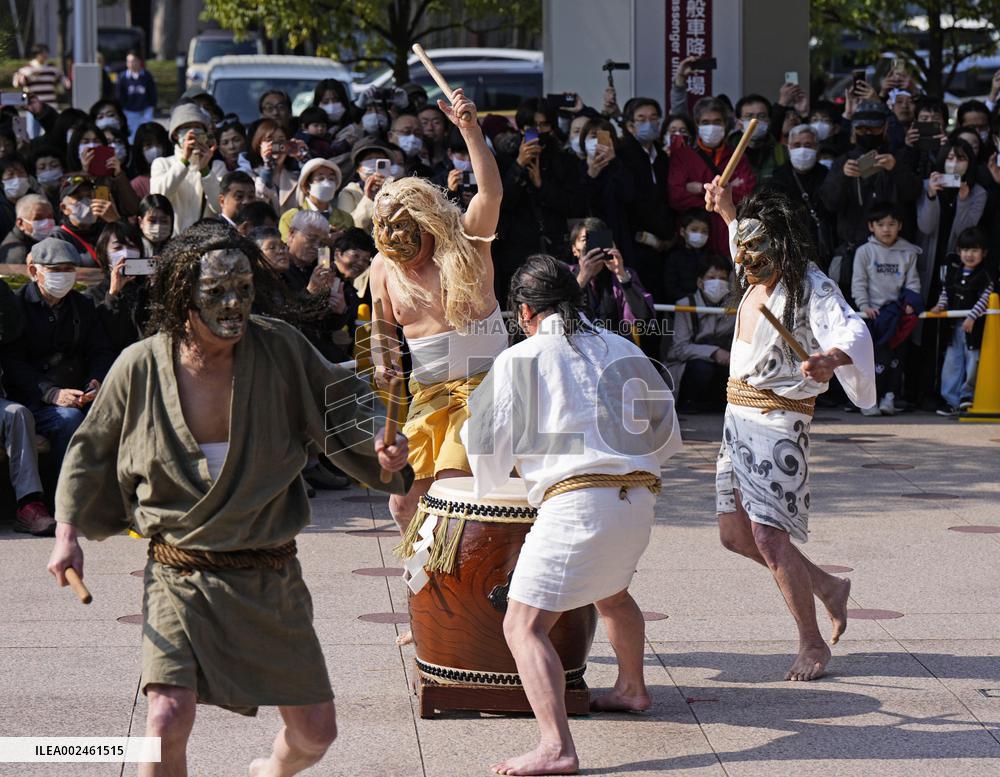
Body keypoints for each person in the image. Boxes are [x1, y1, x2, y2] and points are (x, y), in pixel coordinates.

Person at [45, 220, 412, 777]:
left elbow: (346, 404)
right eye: (216, 291)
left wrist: (385, 446)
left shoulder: (281, 348)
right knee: (165, 721)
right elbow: (90, 450)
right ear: (179, 293)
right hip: (179, 572)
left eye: (242, 289)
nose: (233, 303)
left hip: (269, 571)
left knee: (316, 732)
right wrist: (66, 537)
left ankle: (269, 771)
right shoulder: (140, 365)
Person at [457, 254, 680, 777]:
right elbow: (666, 433)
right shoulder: (624, 347)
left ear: (527, 311)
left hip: (578, 503)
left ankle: (556, 746)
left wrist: (502, 473)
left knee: (522, 624)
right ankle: (631, 688)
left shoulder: (521, 358)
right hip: (640, 498)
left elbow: (485, 449)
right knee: (612, 592)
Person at [704, 182, 875, 682]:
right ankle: (826, 585)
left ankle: (812, 643)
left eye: (757, 247)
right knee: (735, 535)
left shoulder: (809, 285)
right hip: (737, 420)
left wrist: (830, 359)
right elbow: (743, 235)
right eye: (742, 247)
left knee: (768, 535)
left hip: (779, 421)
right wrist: (729, 211)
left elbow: (852, 330)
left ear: (782, 245)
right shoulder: (753, 262)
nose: (746, 256)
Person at [368, 87, 505, 539]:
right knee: (404, 502)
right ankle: (421, 584)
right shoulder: (382, 268)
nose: (401, 251)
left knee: (452, 488)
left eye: (409, 237)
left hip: (484, 386)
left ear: (429, 224)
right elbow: (381, 335)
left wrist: (470, 130)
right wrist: (382, 363)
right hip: (428, 391)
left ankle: (459, 591)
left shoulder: (468, 242)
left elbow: (490, 192)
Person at [1, 238, 115, 469]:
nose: (63, 275)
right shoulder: (18, 305)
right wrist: (50, 393)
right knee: (69, 420)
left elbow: (100, 350)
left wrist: (96, 380)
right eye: (55, 270)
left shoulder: (82, 305)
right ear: (34, 271)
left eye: (69, 270)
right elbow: (13, 362)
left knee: (112, 414)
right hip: (34, 400)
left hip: (79, 392)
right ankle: (65, 495)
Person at [851, 202, 922, 416]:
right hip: (872, 316)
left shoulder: (908, 253)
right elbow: (859, 282)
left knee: (895, 358)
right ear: (871, 227)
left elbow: (913, 283)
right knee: (871, 360)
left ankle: (889, 397)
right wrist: (864, 306)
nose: (886, 229)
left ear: (900, 226)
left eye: (891, 224)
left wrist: (911, 302)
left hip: (897, 317)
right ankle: (867, 400)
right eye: (881, 224)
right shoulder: (864, 252)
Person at [668, 96, 756, 255]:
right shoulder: (683, 156)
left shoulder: (738, 157)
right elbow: (676, 196)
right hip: (693, 242)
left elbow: (747, 195)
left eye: (717, 121)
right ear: (697, 124)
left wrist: (698, 188)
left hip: (728, 237)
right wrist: (721, 194)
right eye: (705, 122)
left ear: (725, 124)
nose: (712, 127)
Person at [932, 227, 995, 415]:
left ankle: (967, 396)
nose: (969, 255)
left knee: (973, 361)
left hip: (974, 328)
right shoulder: (953, 272)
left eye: (975, 251)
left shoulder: (986, 275)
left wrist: (972, 317)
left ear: (983, 253)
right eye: (966, 250)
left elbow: (986, 298)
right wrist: (939, 306)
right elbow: (946, 293)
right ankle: (950, 400)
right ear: (959, 251)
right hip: (953, 327)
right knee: (952, 362)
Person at [665, 255, 736, 412]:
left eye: (722, 278)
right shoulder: (685, 305)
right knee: (703, 369)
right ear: (700, 282)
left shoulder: (735, 307)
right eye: (711, 277)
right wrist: (714, 352)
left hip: (725, 361)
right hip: (689, 364)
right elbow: (680, 349)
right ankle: (690, 404)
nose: (717, 282)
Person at [568, 217, 654, 333]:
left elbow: (644, 318)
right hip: (578, 344)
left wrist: (621, 275)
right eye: (585, 240)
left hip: (615, 344)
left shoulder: (623, 274)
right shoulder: (565, 275)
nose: (593, 246)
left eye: (597, 240)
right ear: (574, 249)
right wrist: (582, 279)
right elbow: (557, 316)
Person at [151, 103, 224, 233]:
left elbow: (220, 206)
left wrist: (205, 171)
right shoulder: (162, 164)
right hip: (172, 243)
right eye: (186, 128)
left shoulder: (216, 166)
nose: (193, 133)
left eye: (197, 127)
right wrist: (184, 161)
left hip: (206, 245)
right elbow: (159, 198)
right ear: (175, 135)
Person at [53, 173, 121, 267]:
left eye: (90, 196)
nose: (87, 202)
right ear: (64, 208)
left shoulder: (106, 228)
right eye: (79, 198)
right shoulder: (58, 237)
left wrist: (116, 221)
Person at [278, 158, 351, 240]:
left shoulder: (346, 219)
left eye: (331, 179)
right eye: (320, 179)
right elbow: (288, 248)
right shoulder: (290, 217)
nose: (327, 184)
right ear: (307, 186)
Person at [664, 209, 713, 303]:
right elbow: (670, 288)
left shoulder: (711, 257)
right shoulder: (674, 258)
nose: (699, 234)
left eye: (704, 231)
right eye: (694, 230)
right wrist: (691, 300)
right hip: (683, 307)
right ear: (682, 231)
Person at [0, 193, 55, 263]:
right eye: (38, 218)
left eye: (50, 217)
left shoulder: (48, 240)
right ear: (20, 223)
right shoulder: (18, 255)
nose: (46, 223)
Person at [115, 52, 157, 142]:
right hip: (129, 112)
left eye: (133, 61)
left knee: (146, 134)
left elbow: (152, 92)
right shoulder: (122, 77)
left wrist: (151, 106)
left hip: (144, 111)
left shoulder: (146, 75)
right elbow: (119, 95)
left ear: (139, 62)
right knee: (131, 136)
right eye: (128, 61)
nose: (131, 64)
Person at [12, 44, 68, 109]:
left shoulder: (53, 69)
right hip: (33, 106)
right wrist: (26, 77)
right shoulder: (26, 69)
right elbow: (16, 84)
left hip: (50, 105)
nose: (45, 55)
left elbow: (64, 81)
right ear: (36, 54)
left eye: (46, 52)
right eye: (42, 53)